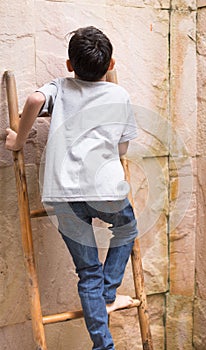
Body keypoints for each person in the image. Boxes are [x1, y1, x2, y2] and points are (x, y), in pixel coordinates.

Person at [5, 26, 138, 350]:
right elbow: (122, 151)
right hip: (106, 190)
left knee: (87, 272)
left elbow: (36, 99)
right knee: (127, 228)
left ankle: (104, 344)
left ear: (69, 65)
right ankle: (108, 293)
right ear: (111, 65)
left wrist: (18, 140)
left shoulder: (60, 87)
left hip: (63, 195)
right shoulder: (119, 95)